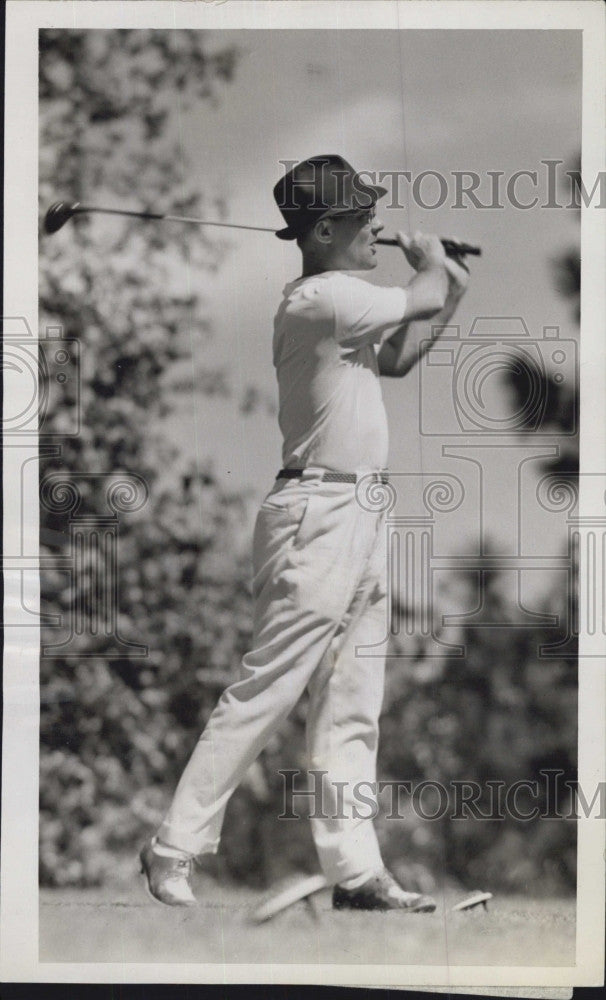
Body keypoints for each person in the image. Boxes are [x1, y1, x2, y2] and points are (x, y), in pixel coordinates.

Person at [140, 155, 470, 911]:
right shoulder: (322, 297)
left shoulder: (343, 304)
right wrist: (435, 270)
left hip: (360, 514)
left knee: (353, 700)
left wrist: (450, 291)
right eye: (363, 217)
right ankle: (171, 847)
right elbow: (417, 298)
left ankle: (356, 874)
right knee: (270, 687)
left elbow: (401, 357)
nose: (378, 227)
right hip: (315, 517)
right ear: (325, 230)